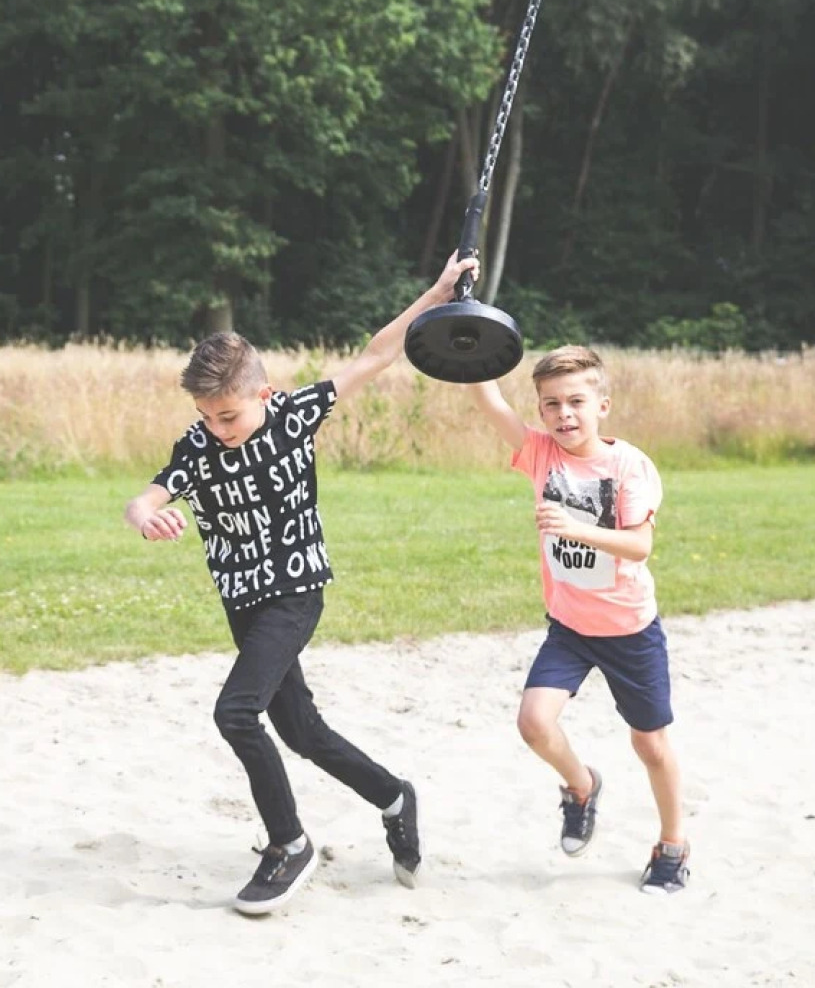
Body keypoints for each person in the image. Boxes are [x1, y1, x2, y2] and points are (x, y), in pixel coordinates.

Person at [123, 252, 474, 916]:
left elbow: (376, 355)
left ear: (264, 394)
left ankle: (289, 844)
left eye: (228, 416)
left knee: (235, 713)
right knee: (302, 730)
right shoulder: (198, 446)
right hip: (243, 604)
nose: (218, 429)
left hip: (293, 590)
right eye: (206, 416)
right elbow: (146, 496)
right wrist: (145, 517)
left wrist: (437, 292)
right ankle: (394, 797)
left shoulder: (294, 415)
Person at [464, 343, 690, 894]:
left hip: (629, 630)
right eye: (551, 404)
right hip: (569, 627)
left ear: (602, 405)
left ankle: (673, 844)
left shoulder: (629, 466)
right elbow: (490, 402)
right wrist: (470, 342)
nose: (563, 414)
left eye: (576, 402)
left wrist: (576, 528)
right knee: (534, 723)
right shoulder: (540, 454)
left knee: (651, 746)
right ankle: (582, 786)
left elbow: (639, 545)